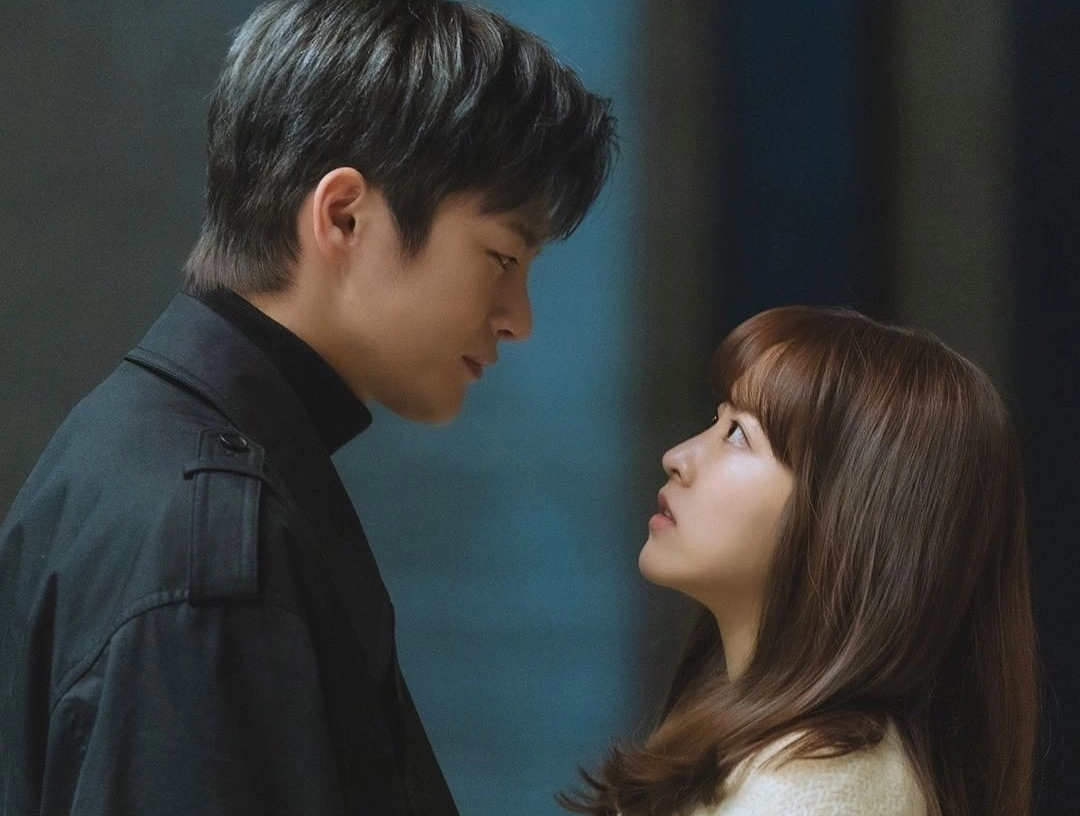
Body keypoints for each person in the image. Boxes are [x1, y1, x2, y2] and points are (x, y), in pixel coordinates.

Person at [0, 1, 616, 813]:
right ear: (344, 217)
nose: (519, 319)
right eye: (501, 256)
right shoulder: (210, 547)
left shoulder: (129, 446)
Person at [560, 306, 1038, 816]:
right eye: (716, 419)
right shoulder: (775, 753)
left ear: (845, 515)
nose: (677, 456)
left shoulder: (815, 789)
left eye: (739, 434)